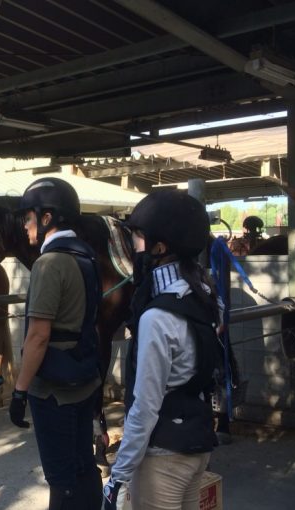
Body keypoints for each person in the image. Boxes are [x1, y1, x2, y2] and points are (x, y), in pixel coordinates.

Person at [103, 189, 220, 510]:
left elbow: (145, 405)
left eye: (138, 237)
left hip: (163, 458)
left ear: (160, 247)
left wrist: (118, 475)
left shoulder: (158, 316)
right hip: (196, 446)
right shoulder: (203, 296)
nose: (133, 245)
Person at [8, 177, 103, 509]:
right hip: (84, 378)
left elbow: (38, 336)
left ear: (47, 217)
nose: (24, 225)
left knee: (61, 480)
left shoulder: (49, 264)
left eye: (28, 217)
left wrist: (19, 391)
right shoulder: (87, 257)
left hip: (53, 389)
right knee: (84, 466)